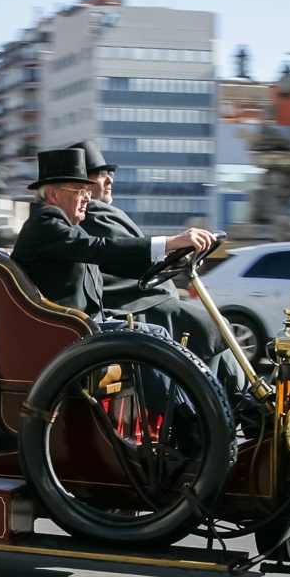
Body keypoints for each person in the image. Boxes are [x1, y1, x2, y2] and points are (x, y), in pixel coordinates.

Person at [67, 139, 244, 395]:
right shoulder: (91, 214)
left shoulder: (97, 213)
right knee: (209, 326)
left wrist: (175, 255)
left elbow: (130, 251)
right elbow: (122, 251)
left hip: (144, 299)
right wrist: (173, 244)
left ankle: (238, 404)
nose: (109, 180)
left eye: (110, 173)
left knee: (212, 327)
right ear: (79, 184)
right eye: (100, 174)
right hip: (130, 305)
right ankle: (221, 407)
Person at [11, 148, 212, 322]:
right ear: (54, 194)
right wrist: (171, 242)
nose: (86, 200)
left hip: (85, 325)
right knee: (157, 341)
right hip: (72, 330)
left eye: (88, 193)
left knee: (158, 338)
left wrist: (167, 262)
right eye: (80, 191)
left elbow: (110, 263)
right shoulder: (46, 222)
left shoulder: (63, 227)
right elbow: (101, 249)